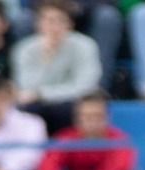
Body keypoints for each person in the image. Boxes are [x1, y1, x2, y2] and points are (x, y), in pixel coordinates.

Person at [13, 0, 104, 134]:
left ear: (70, 24)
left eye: (60, 20)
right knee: (27, 110)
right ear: (38, 23)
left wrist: (42, 94)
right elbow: (27, 88)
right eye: (49, 21)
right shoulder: (25, 49)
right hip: (39, 106)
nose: (54, 27)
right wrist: (46, 59)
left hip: (70, 104)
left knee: (69, 109)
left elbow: (85, 86)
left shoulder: (86, 46)